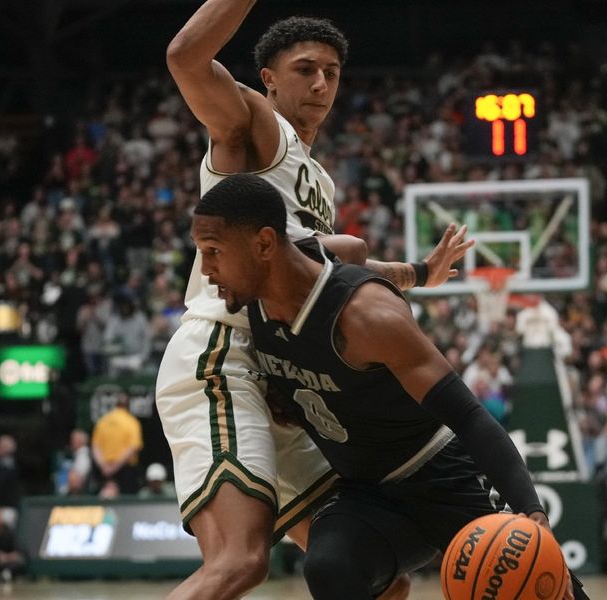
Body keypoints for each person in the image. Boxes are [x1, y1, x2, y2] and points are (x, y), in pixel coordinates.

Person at [161, 4, 469, 599]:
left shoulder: (317, 180)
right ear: (268, 79)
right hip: (223, 356)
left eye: (331, 70)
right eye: (305, 69)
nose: (321, 82)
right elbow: (185, 58)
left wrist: (420, 272)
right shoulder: (254, 130)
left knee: (380, 579)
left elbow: (332, 261)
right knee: (239, 562)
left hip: (283, 377)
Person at [190, 173, 586, 600]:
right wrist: (419, 272)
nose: (206, 270)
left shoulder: (366, 318)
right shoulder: (259, 290)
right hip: (367, 494)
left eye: (213, 252)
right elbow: (351, 251)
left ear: (265, 244)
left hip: (441, 476)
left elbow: (470, 417)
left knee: (541, 588)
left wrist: (531, 510)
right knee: (329, 568)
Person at [90, 395, 143, 494]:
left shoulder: (102, 421)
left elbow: (95, 447)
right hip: (125, 470)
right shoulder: (131, 421)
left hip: (104, 470)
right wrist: (114, 467)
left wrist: (104, 467)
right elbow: (133, 448)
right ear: (128, 406)